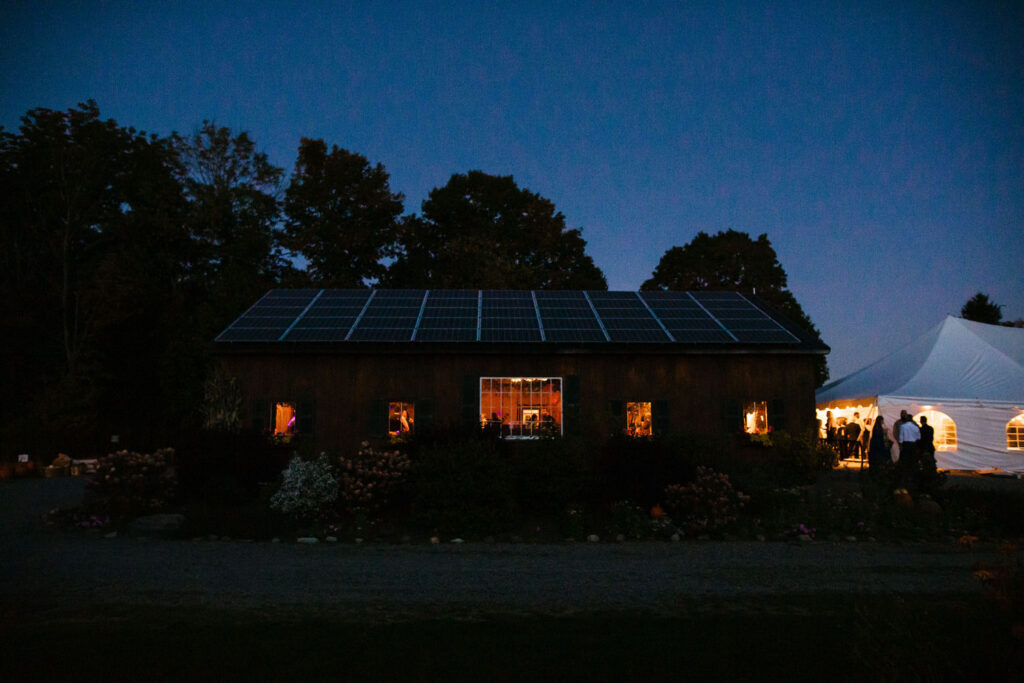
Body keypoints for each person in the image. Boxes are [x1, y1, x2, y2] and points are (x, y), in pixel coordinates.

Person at [896, 410, 921, 486]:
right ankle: (911, 476)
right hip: (912, 445)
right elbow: (918, 437)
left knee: (904, 460)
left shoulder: (903, 426)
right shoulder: (916, 426)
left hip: (905, 444)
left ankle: (904, 476)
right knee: (912, 460)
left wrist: (900, 444)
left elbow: (900, 437)